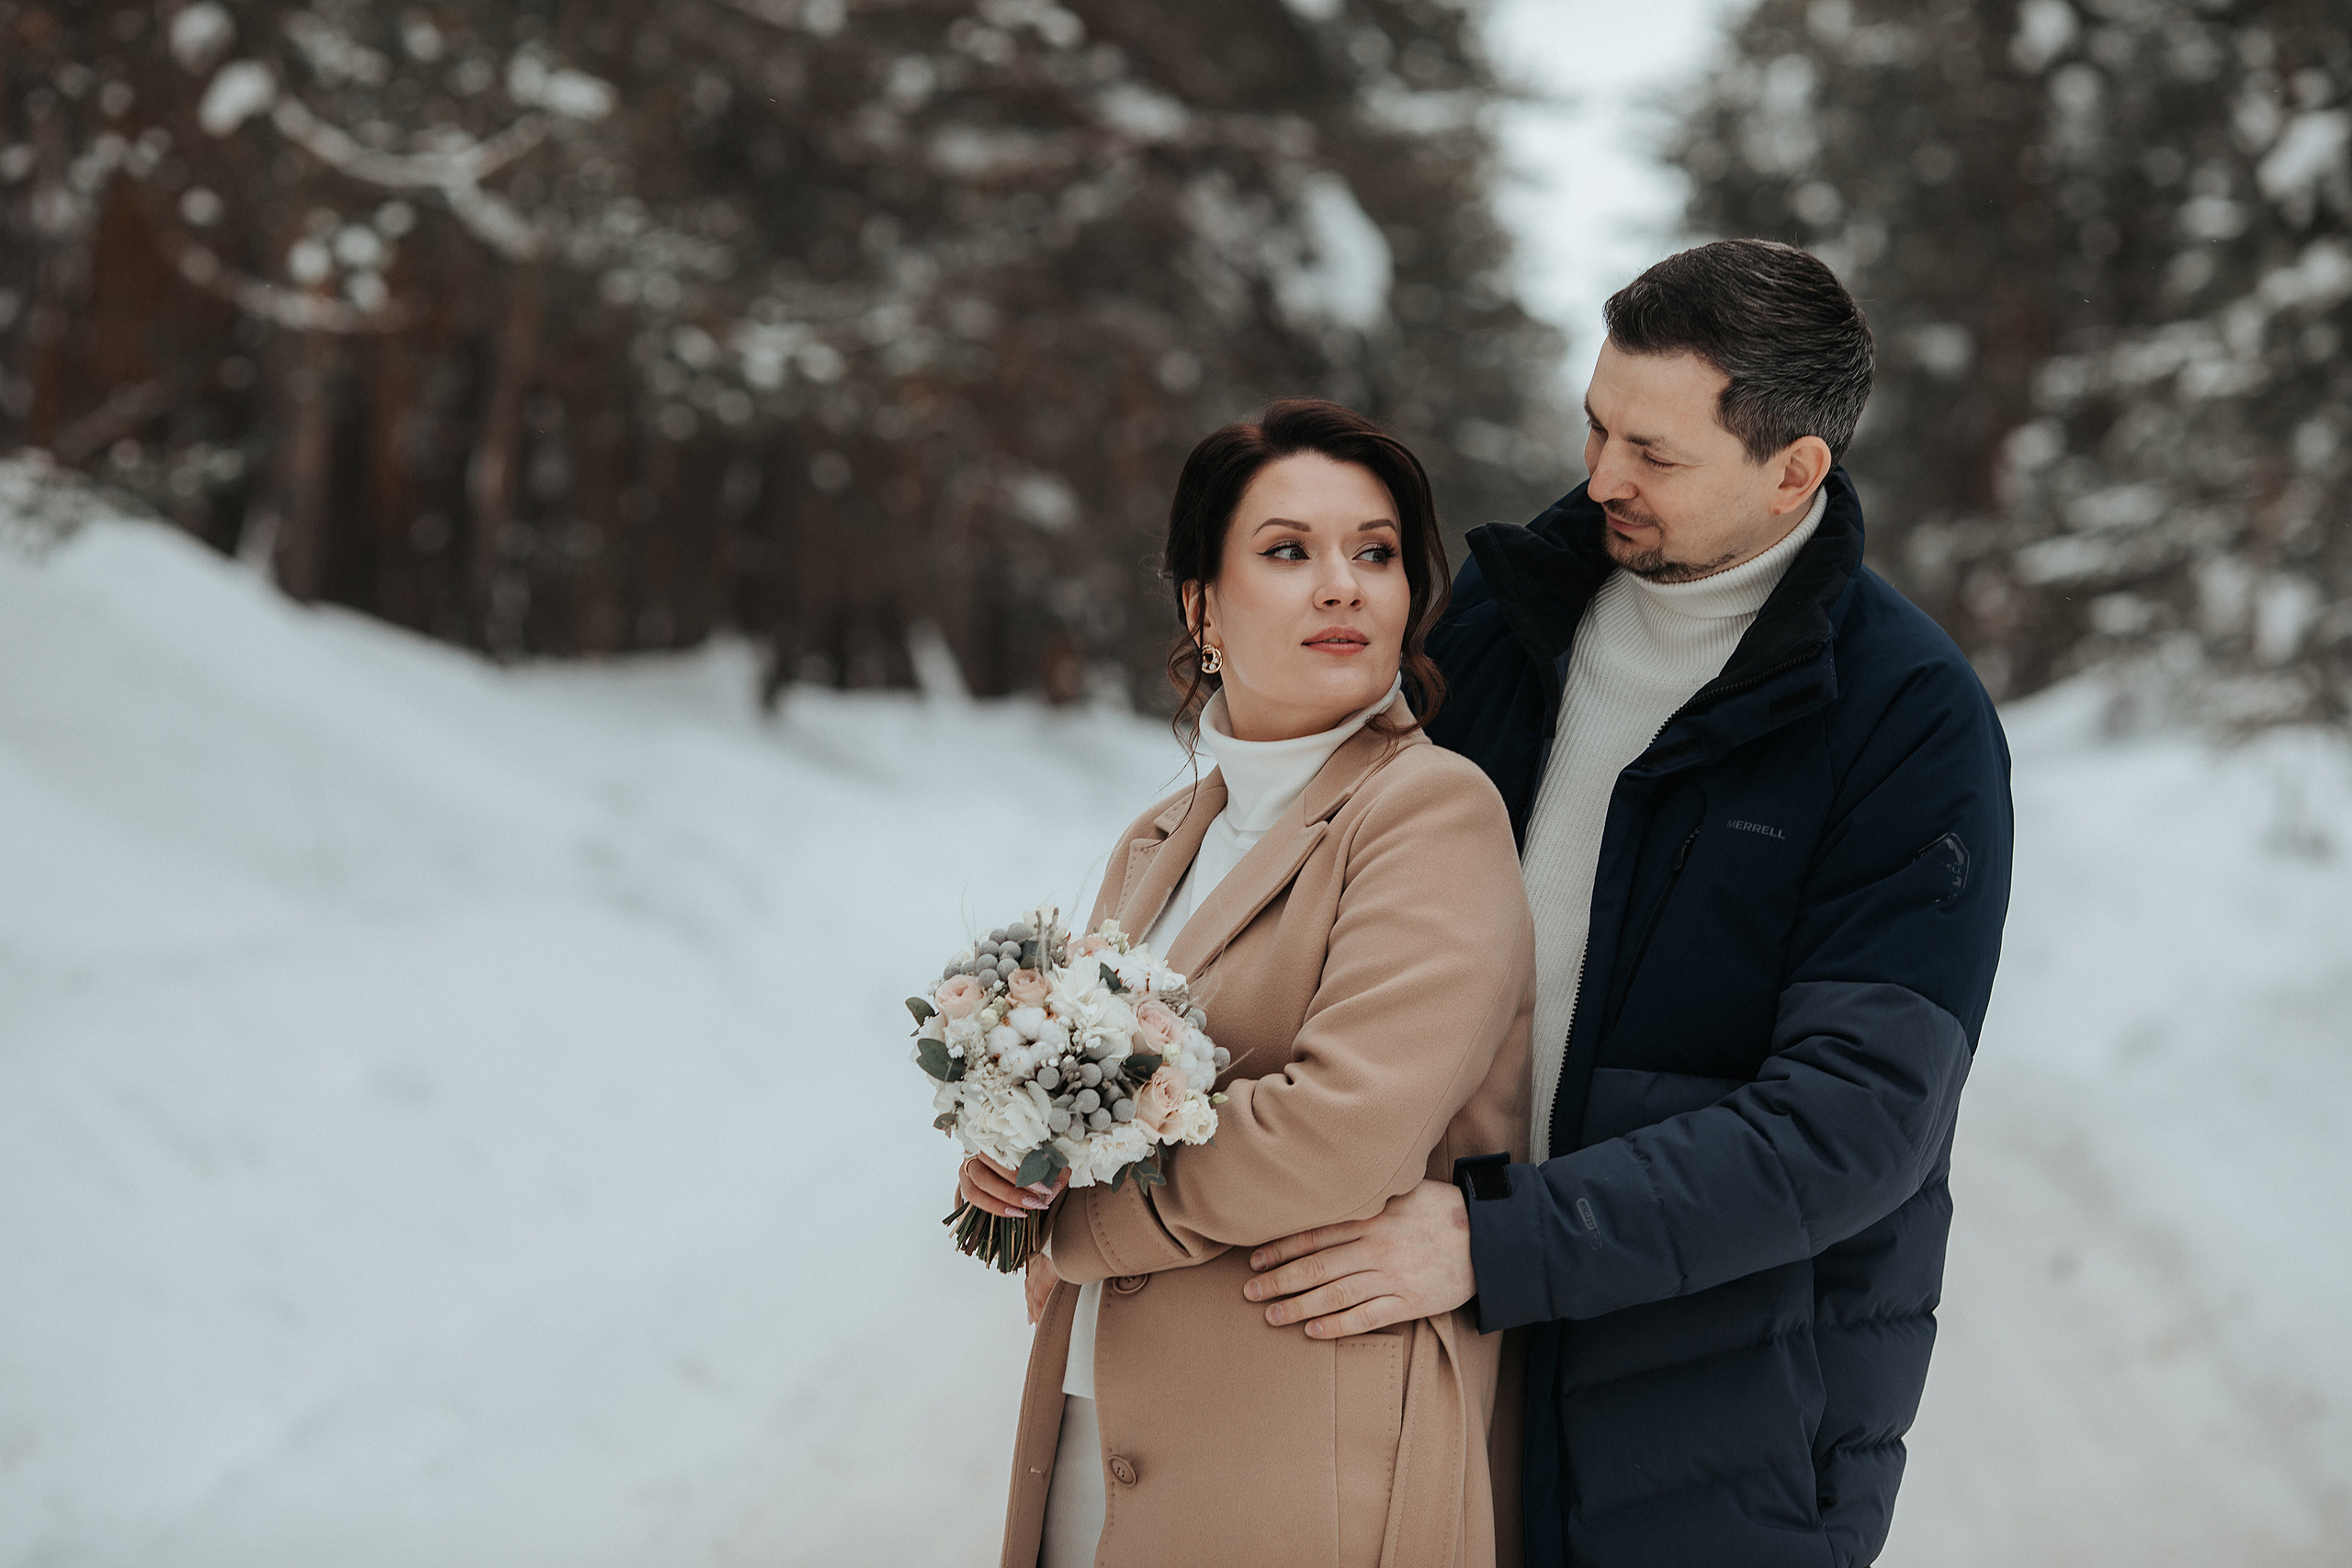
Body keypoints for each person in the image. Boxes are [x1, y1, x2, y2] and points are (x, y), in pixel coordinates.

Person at [1239, 241, 2015, 1567]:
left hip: (1717, 1422)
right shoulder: (1502, 613)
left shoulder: (1908, 718)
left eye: (1654, 453)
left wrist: (1505, 1241)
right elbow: (1314, 908)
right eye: (1597, 425)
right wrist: (1100, 1116)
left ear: (1793, 470)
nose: (1602, 477)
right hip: (1428, 1359)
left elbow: (1856, 1120)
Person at [957, 399, 1535, 1568]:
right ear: (1200, 606)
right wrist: (1011, 1164)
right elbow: (1086, 1097)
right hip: (1094, 1424)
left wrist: (1085, 1222)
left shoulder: (1427, 810)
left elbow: (1343, 1131)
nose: (1343, 587)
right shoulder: (1160, 834)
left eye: (1374, 553)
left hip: (1305, 1449)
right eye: (1289, 552)